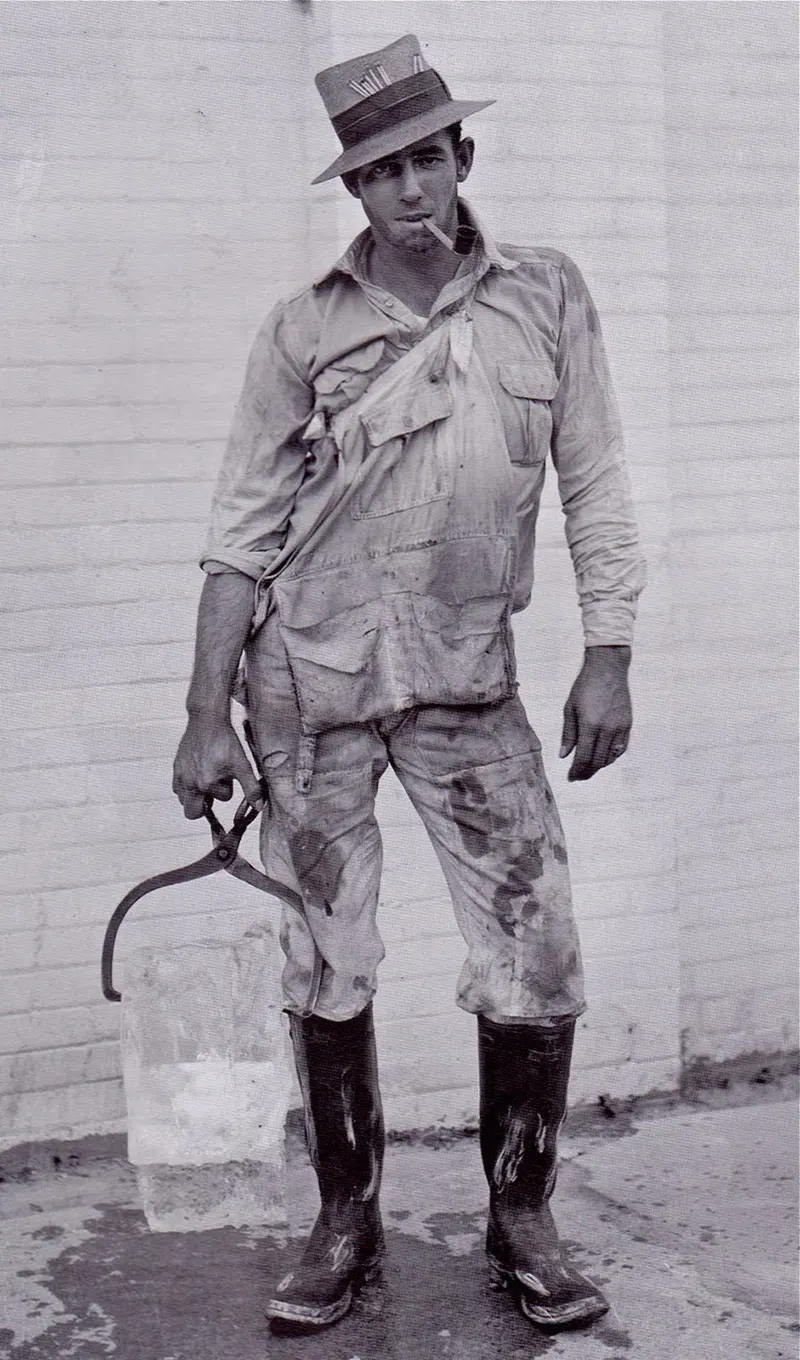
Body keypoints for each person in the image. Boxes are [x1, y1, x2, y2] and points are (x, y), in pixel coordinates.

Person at [172, 34, 646, 1336]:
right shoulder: (303, 328)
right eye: (381, 172)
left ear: (463, 158)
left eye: (427, 158)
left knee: (537, 957)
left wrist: (609, 651)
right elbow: (237, 532)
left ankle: (522, 1213)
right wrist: (204, 713)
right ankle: (346, 1223)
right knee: (329, 959)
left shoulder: (545, 300)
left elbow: (595, 481)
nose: (411, 191)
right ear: (357, 193)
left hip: (463, 688)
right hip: (310, 694)